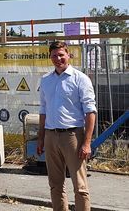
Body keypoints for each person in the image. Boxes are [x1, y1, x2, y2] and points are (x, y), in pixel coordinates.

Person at [37, 41, 96, 211]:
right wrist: (41, 138)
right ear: (50, 57)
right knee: (55, 185)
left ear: (68, 55)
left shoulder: (80, 79)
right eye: (54, 55)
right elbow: (43, 110)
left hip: (72, 137)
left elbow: (90, 111)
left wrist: (86, 143)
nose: (58, 58)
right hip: (50, 136)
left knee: (80, 186)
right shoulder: (46, 80)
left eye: (61, 54)